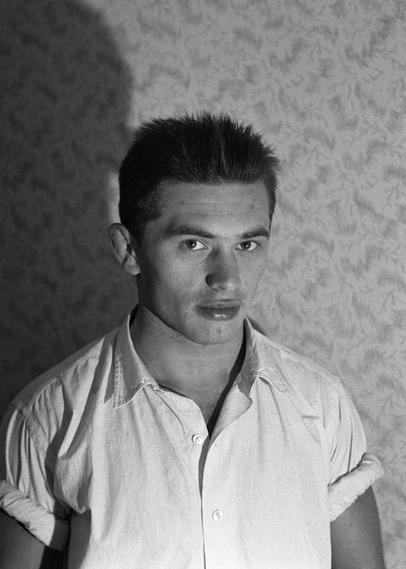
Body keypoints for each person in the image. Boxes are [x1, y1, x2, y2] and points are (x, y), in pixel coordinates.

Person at [0, 112, 385, 568]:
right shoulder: (47, 420)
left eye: (247, 245)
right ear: (128, 249)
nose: (227, 279)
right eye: (194, 245)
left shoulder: (321, 406)